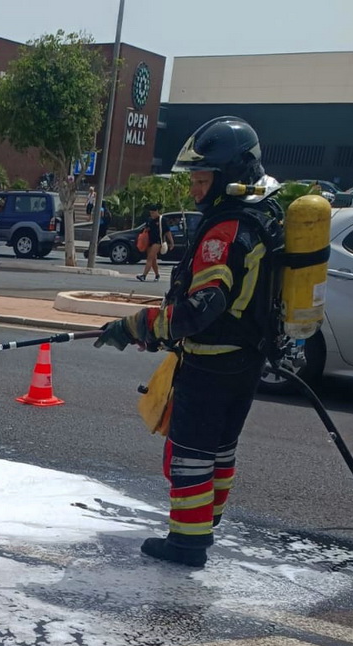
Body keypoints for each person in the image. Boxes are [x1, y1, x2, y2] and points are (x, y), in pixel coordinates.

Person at [93, 116, 280, 568]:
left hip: (213, 363)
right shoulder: (263, 215)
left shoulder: (226, 230)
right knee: (220, 451)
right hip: (246, 361)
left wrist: (137, 326)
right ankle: (204, 526)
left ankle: (186, 544)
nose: (195, 189)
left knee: (192, 454)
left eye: (200, 179)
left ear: (228, 175)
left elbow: (199, 311)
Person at [136, 203, 174, 282]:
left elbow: (167, 232)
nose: (152, 214)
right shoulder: (150, 220)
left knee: (149, 258)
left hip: (158, 241)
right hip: (150, 241)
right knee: (153, 260)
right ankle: (157, 275)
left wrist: (171, 242)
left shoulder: (162, 220)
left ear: (157, 211)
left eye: (153, 213)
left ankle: (144, 275)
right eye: (151, 213)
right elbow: (146, 229)